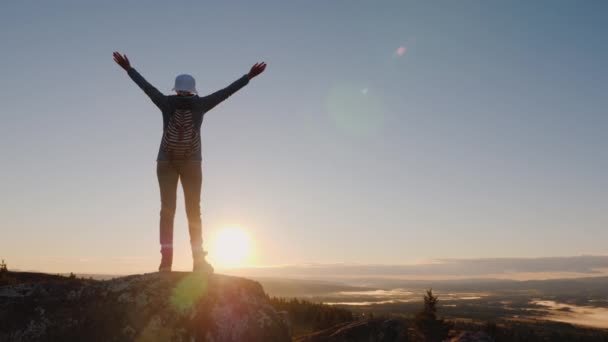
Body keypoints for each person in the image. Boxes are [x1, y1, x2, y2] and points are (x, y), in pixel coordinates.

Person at [113, 51, 267, 273]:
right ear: (194, 89)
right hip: (192, 163)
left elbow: (146, 87)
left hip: (165, 161)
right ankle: (199, 262)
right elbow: (226, 92)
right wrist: (249, 76)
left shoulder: (166, 102)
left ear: (175, 88)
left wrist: (129, 69)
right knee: (193, 211)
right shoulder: (201, 104)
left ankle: (166, 262)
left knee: (167, 211)